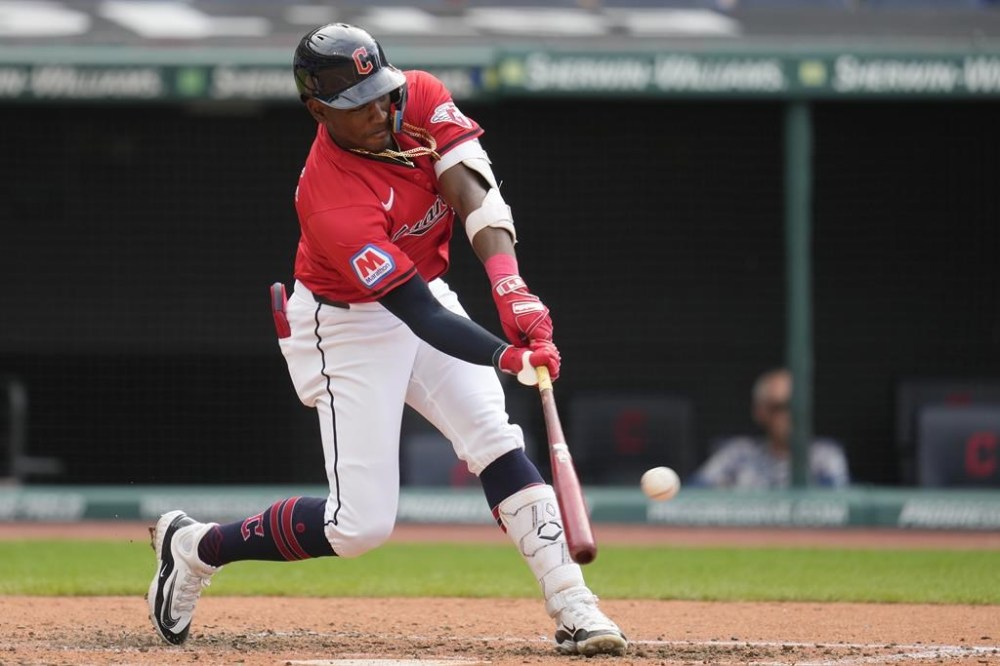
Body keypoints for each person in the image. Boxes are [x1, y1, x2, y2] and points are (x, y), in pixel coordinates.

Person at [145, 23, 627, 657]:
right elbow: (418, 316)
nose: (378, 111)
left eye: (382, 92)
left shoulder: (419, 96)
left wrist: (510, 286)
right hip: (347, 325)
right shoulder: (329, 197)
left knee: (494, 436)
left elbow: (473, 188)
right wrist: (508, 356)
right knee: (359, 526)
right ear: (317, 109)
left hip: (428, 292)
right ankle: (196, 547)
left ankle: (573, 603)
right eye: (356, 104)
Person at [688, 368, 850, 488]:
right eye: (780, 407)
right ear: (760, 412)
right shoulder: (738, 454)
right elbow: (695, 493)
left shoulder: (824, 457)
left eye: (796, 407)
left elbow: (840, 507)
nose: (790, 415)